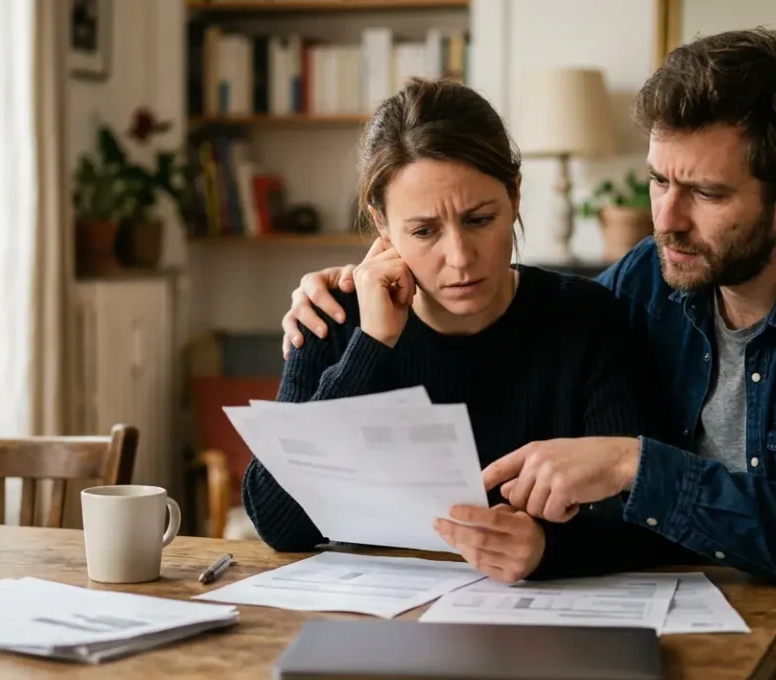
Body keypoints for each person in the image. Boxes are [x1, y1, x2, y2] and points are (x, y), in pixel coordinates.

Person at [279, 29, 776, 680]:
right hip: (687, 642)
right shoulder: (648, 280)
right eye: (660, 181)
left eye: (705, 193)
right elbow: (531, 346)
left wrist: (633, 465)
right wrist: (350, 297)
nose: (666, 220)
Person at [243, 77, 673, 585]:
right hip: (374, 614)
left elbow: (649, 517)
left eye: (479, 220)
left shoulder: (585, 318)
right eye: (424, 231)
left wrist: (546, 549)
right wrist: (371, 345)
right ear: (381, 223)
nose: (460, 258)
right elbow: (279, 524)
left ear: (515, 195)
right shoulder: (333, 316)